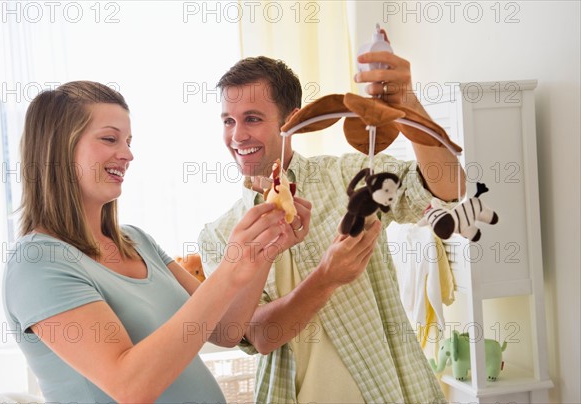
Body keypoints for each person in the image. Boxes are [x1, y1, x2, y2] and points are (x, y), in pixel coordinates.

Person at [2, 81, 311, 403]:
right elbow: (131, 387)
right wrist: (230, 267)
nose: (127, 154)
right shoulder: (37, 262)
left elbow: (226, 330)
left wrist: (262, 251)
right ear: (58, 149)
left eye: (128, 141)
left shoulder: (136, 241)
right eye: (110, 139)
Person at [198, 44, 464, 402]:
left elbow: (449, 188)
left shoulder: (349, 177)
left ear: (290, 122)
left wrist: (408, 104)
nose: (237, 135)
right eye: (228, 121)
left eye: (253, 118)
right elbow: (260, 335)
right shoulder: (219, 236)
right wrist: (327, 278)